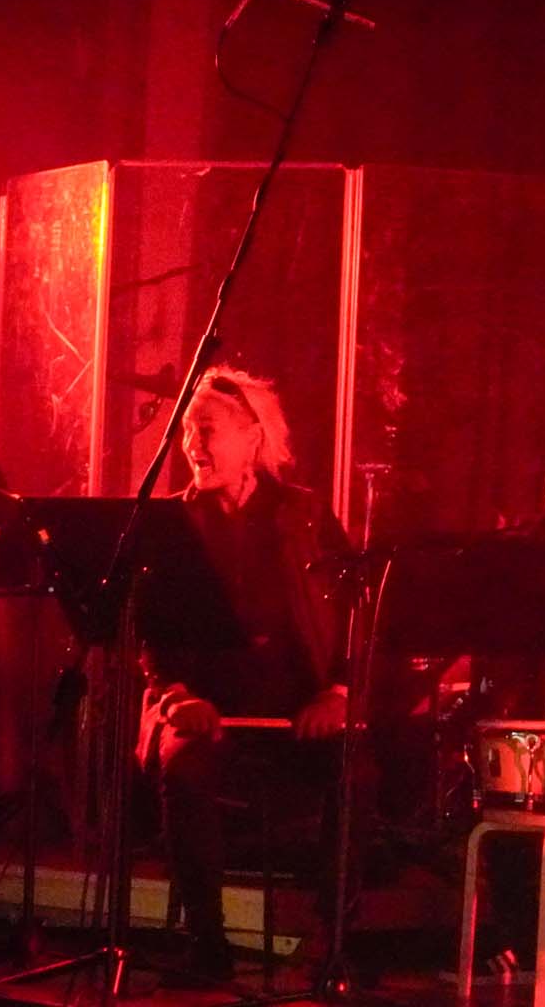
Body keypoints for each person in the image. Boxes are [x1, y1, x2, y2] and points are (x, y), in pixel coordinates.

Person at [133, 367, 352, 983]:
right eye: (186, 431)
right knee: (184, 769)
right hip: (205, 710)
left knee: (355, 772)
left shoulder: (305, 514)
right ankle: (208, 945)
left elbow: (355, 611)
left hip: (296, 710)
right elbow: (151, 629)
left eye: (206, 429)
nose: (191, 445)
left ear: (253, 437)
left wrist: (336, 694)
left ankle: (333, 945)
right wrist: (177, 696)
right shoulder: (173, 522)